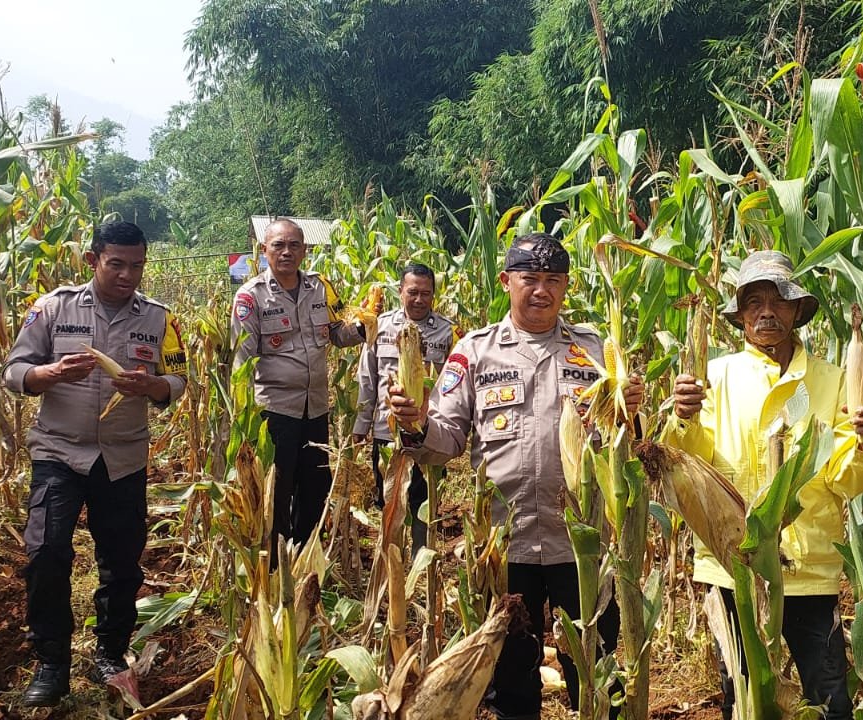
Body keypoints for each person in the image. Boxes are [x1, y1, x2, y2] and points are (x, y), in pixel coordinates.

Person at [387, 232, 642, 720]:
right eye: (530, 279)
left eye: (554, 280)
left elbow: (623, 443)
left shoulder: (594, 350)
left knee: (594, 669)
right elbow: (446, 441)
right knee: (511, 677)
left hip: (583, 542)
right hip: (506, 543)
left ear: (566, 286)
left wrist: (632, 411)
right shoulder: (475, 352)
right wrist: (416, 423)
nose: (542, 290)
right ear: (506, 281)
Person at [667, 250, 863, 720]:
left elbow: (847, 478)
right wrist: (682, 417)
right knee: (743, 697)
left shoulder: (833, 380)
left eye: (780, 300)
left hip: (809, 568)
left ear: (798, 311)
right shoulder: (712, 376)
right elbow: (688, 464)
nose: (767, 311)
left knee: (828, 698)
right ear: (742, 314)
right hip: (735, 564)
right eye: (754, 301)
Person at [3, 221, 187, 707]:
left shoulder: (160, 319)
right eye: (117, 264)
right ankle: (51, 663)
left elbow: (180, 378)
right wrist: (48, 373)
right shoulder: (52, 308)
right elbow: (14, 371)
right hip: (59, 451)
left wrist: (153, 387)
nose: (129, 275)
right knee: (46, 553)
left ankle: (110, 651)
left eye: (138, 265)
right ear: (92, 260)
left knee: (122, 563)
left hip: (123, 456)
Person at [232, 218, 364, 552]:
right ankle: (276, 566)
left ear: (305, 250)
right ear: (265, 250)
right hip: (275, 413)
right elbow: (241, 365)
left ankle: (307, 560)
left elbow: (337, 334)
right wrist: (244, 421)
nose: (287, 252)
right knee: (277, 490)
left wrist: (362, 328)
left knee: (314, 488)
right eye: (278, 245)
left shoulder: (321, 288)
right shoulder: (251, 297)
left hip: (316, 409)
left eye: (294, 245)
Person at [353, 262, 456, 552]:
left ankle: (421, 561)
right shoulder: (380, 325)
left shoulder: (447, 333)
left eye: (426, 293)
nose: (419, 299)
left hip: (428, 433)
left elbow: (453, 386)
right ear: (400, 292)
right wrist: (361, 426)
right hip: (387, 430)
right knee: (390, 498)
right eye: (413, 292)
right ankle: (391, 560)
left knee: (423, 501)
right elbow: (367, 378)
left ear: (434, 295)